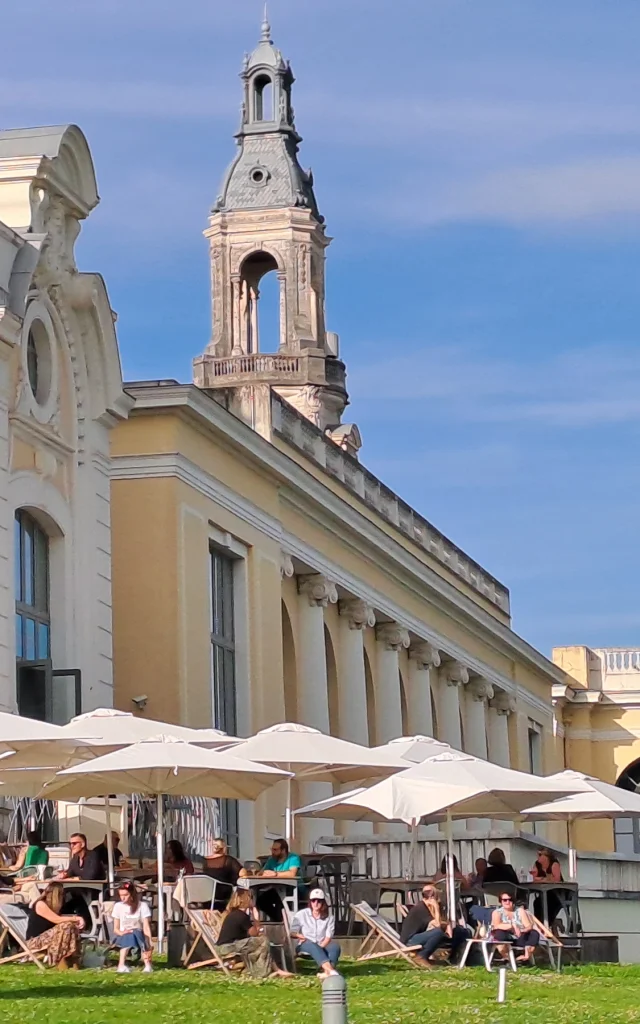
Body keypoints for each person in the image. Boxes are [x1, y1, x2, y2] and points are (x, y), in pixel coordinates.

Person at [216, 889, 292, 979]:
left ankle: (269, 970)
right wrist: (256, 917)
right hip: (226, 948)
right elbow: (255, 933)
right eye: (251, 897)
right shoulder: (240, 916)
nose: (253, 900)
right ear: (244, 900)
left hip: (229, 946)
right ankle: (265, 972)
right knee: (262, 941)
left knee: (261, 943)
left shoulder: (236, 914)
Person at [399, 885, 470, 966]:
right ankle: (421, 956)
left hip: (421, 936)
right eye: (437, 896)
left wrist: (447, 925)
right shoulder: (421, 908)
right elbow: (437, 925)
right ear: (432, 897)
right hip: (410, 940)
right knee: (438, 932)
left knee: (460, 931)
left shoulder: (427, 907)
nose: (439, 899)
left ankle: (454, 958)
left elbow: (437, 922)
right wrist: (436, 907)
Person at [26, 882, 85, 970]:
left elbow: (60, 918)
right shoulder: (40, 904)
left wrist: (76, 920)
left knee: (70, 926)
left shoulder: (54, 907)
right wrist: (76, 918)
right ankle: (59, 959)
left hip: (50, 938)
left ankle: (71, 957)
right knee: (65, 926)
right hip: (35, 941)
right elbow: (56, 919)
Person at [56, 833, 105, 930]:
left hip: (94, 891)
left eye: (74, 843)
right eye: (70, 844)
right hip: (80, 891)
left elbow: (89, 876)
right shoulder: (75, 858)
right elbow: (70, 872)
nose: (71, 846)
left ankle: (85, 927)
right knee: (61, 901)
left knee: (79, 903)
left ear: (82, 844)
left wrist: (74, 878)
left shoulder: (93, 855)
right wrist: (64, 875)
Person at [290, 888, 340, 979]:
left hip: (322, 944)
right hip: (304, 944)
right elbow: (292, 932)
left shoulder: (329, 917)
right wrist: (298, 935)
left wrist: (320, 948)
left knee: (335, 947)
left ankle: (327, 972)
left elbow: (328, 937)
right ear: (310, 902)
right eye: (313, 901)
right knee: (311, 944)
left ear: (323, 902)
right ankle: (330, 971)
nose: (316, 903)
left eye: (319, 901)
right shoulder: (301, 914)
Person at [253, 838, 302, 922]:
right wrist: (263, 873)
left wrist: (275, 874)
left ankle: (282, 922)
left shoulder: (293, 858)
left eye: (275, 850)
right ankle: (278, 920)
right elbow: (261, 872)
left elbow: (292, 874)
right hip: (276, 888)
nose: (272, 852)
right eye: (272, 849)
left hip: (294, 888)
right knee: (261, 901)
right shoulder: (271, 859)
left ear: (283, 850)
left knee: (281, 901)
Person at [111, 881, 153, 974]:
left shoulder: (142, 906)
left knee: (136, 932)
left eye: (125, 895)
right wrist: (123, 932)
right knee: (129, 935)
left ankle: (121, 965)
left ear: (132, 894)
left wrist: (149, 940)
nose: (123, 898)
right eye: (121, 895)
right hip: (122, 935)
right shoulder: (118, 906)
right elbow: (116, 929)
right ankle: (146, 965)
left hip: (138, 933)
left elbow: (146, 926)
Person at [491, 891, 539, 963]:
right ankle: (507, 957)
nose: (507, 902)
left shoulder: (520, 911)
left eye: (510, 900)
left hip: (520, 937)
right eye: (505, 900)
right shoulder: (497, 912)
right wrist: (513, 925)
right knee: (499, 933)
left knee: (534, 933)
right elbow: (497, 925)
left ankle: (526, 956)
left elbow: (529, 926)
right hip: (505, 938)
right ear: (501, 901)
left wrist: (522, 930)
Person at [204, 838, 242, 911]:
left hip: (206, 895)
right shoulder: (228, 860)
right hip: (222, 894)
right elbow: (242, 872)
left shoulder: (206, 861)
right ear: (224, 848)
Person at [531, 847, 564, 928]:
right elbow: (533, 878)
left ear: (546, 856)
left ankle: (547, 925)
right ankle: (540, 926)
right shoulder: (537, 864)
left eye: (539, 855)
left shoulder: (554, 864)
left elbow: (556, 879)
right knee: (537, 903)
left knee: (550, 903)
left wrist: (541, 879)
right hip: (544, 892)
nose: (537, 857)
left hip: (557, 893)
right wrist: (546, 879)